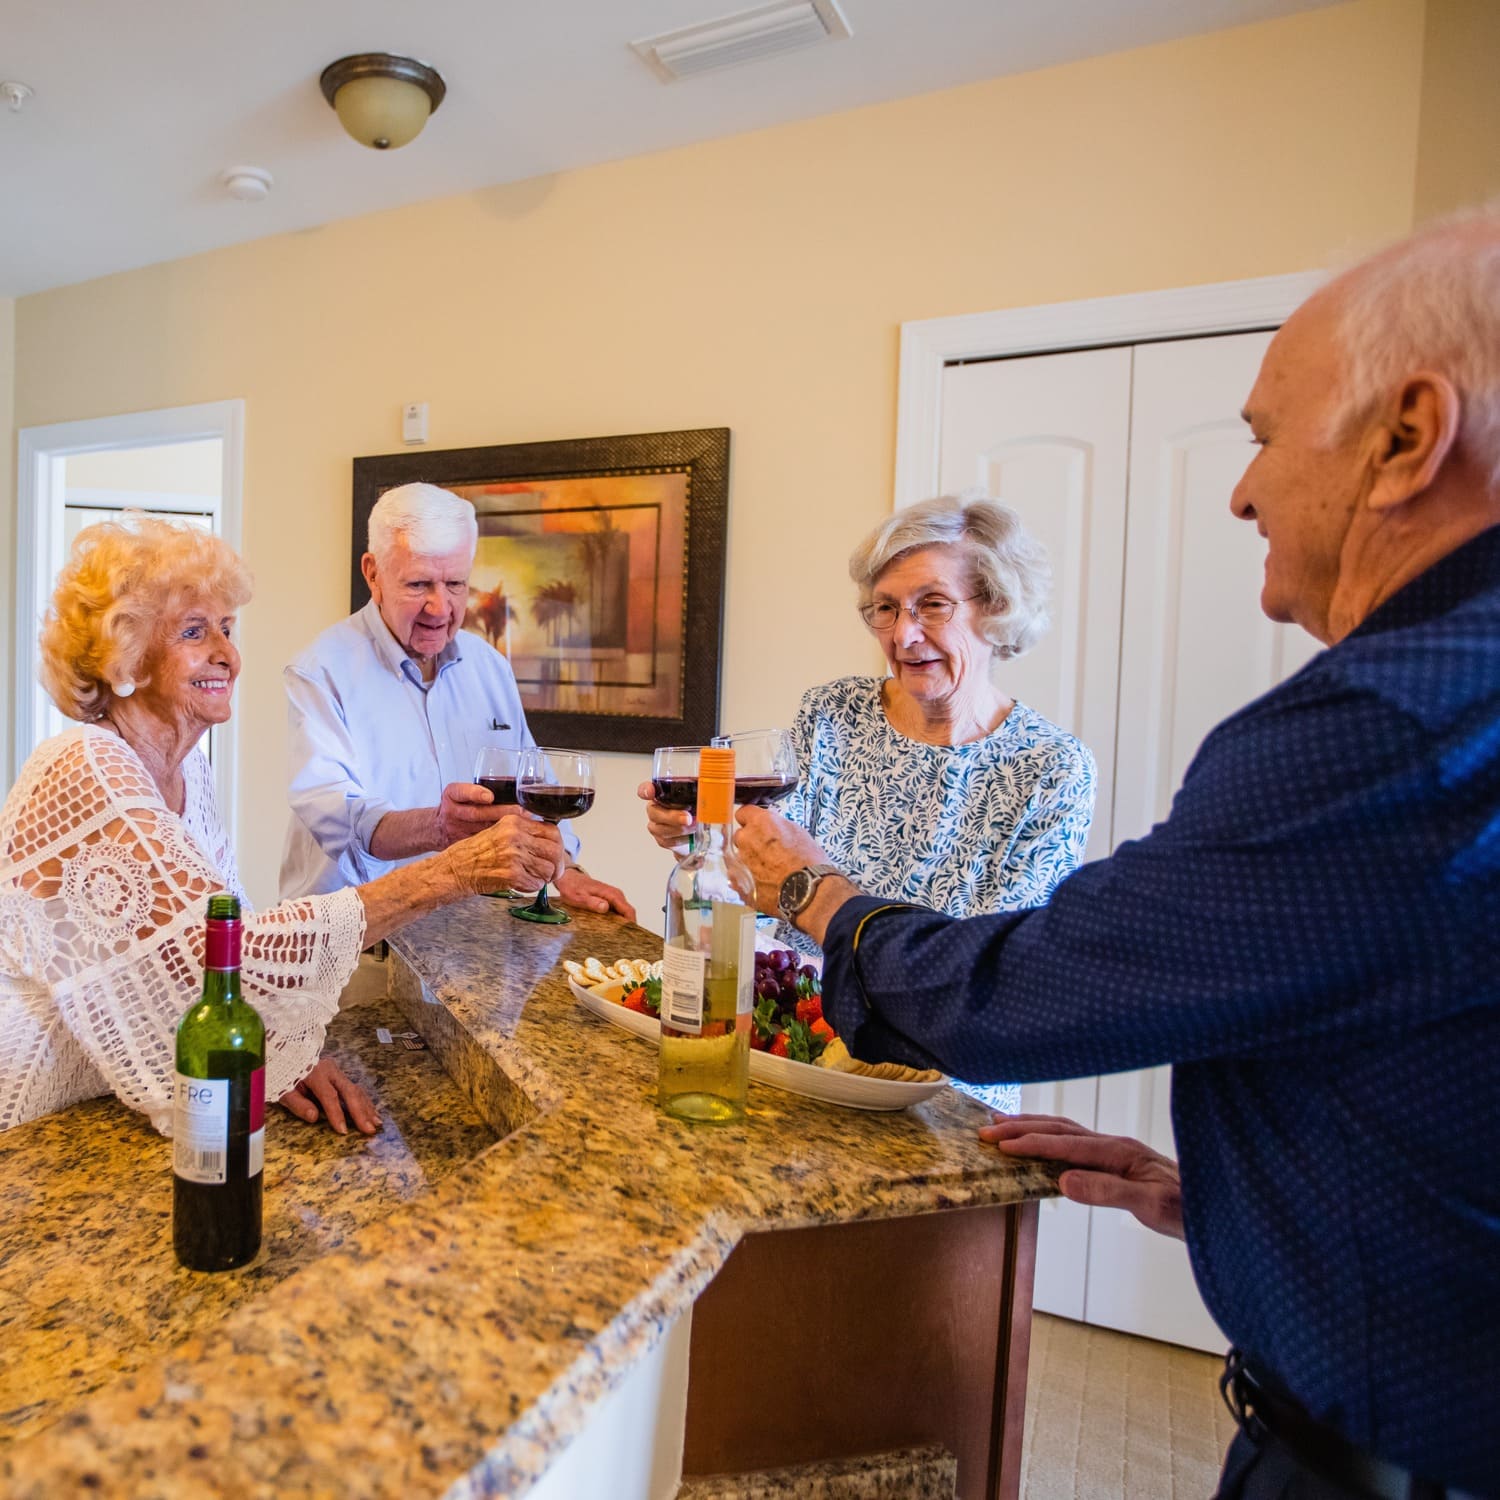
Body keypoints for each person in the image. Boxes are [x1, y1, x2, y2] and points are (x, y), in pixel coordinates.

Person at [732, 207, 1500, 1499]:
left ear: (1410, 436)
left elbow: (1018, 987)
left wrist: (814, 892)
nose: (1245, 489)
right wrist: (1234, 1198)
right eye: (884, 607)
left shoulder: (1389, 724)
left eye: (1263, 440)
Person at [0, 517, 564, 1137]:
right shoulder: (85, 764)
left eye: (227, 627)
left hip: (105, 1110)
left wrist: (275, 1058)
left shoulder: (190, 774)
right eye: (194, 631)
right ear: (125, 657)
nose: (228, 654)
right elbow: (215, 954)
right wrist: (454, 871)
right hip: (36, 1118)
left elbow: (211, 953)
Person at [639, 494, 1096, 1111]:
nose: (903, 635)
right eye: (885, 609)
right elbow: (762, 875)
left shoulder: (1052, 769)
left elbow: (990, 974)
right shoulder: (833, 714)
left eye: (932, 604)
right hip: (798, 1053)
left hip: (942, 1094)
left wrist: (815, 891)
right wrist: (701, 840)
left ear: (996, 607)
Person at [280, 482, 634, 919]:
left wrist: (568, 870)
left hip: (466, 933)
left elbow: (531, 787)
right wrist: (438, 826)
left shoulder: (489, 667)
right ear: (372, 573)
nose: (439, 607)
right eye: (418, 584)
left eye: (455, 584)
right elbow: (337, 817)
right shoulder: (320, 671)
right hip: (356, 942)